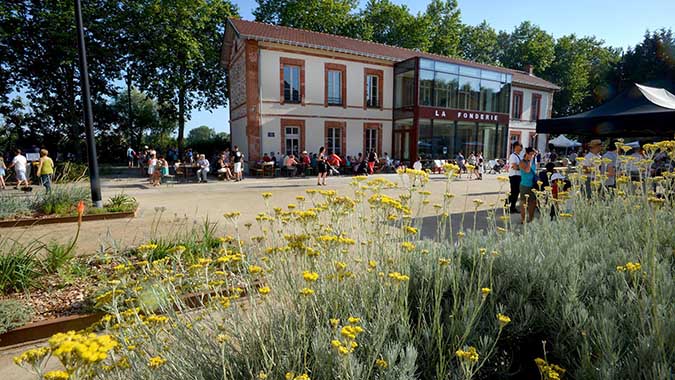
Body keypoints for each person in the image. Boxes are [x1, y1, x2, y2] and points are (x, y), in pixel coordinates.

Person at [519, 147, 538, 223]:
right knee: (524, 203)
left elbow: (535, 170)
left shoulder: (533, 162)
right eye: (531, 154)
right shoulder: (522, 162)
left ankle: (531, 218)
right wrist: (530, 160)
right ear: (526, 154)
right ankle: (523, 219)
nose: (532, 156)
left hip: (533, 185)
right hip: (525, 185)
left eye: (533, 155)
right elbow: (527, 170)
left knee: (533, 203)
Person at [507, 142, 523, 214]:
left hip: (518, 176)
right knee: (514, 192)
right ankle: (510, 206)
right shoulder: (513, 156)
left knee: (515, 192)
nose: (521, 148)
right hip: (514, 176)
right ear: (516, 147)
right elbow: (514, 166)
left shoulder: (519, 156)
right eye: (520, 146)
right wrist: (522, 167)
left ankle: (510, 205)